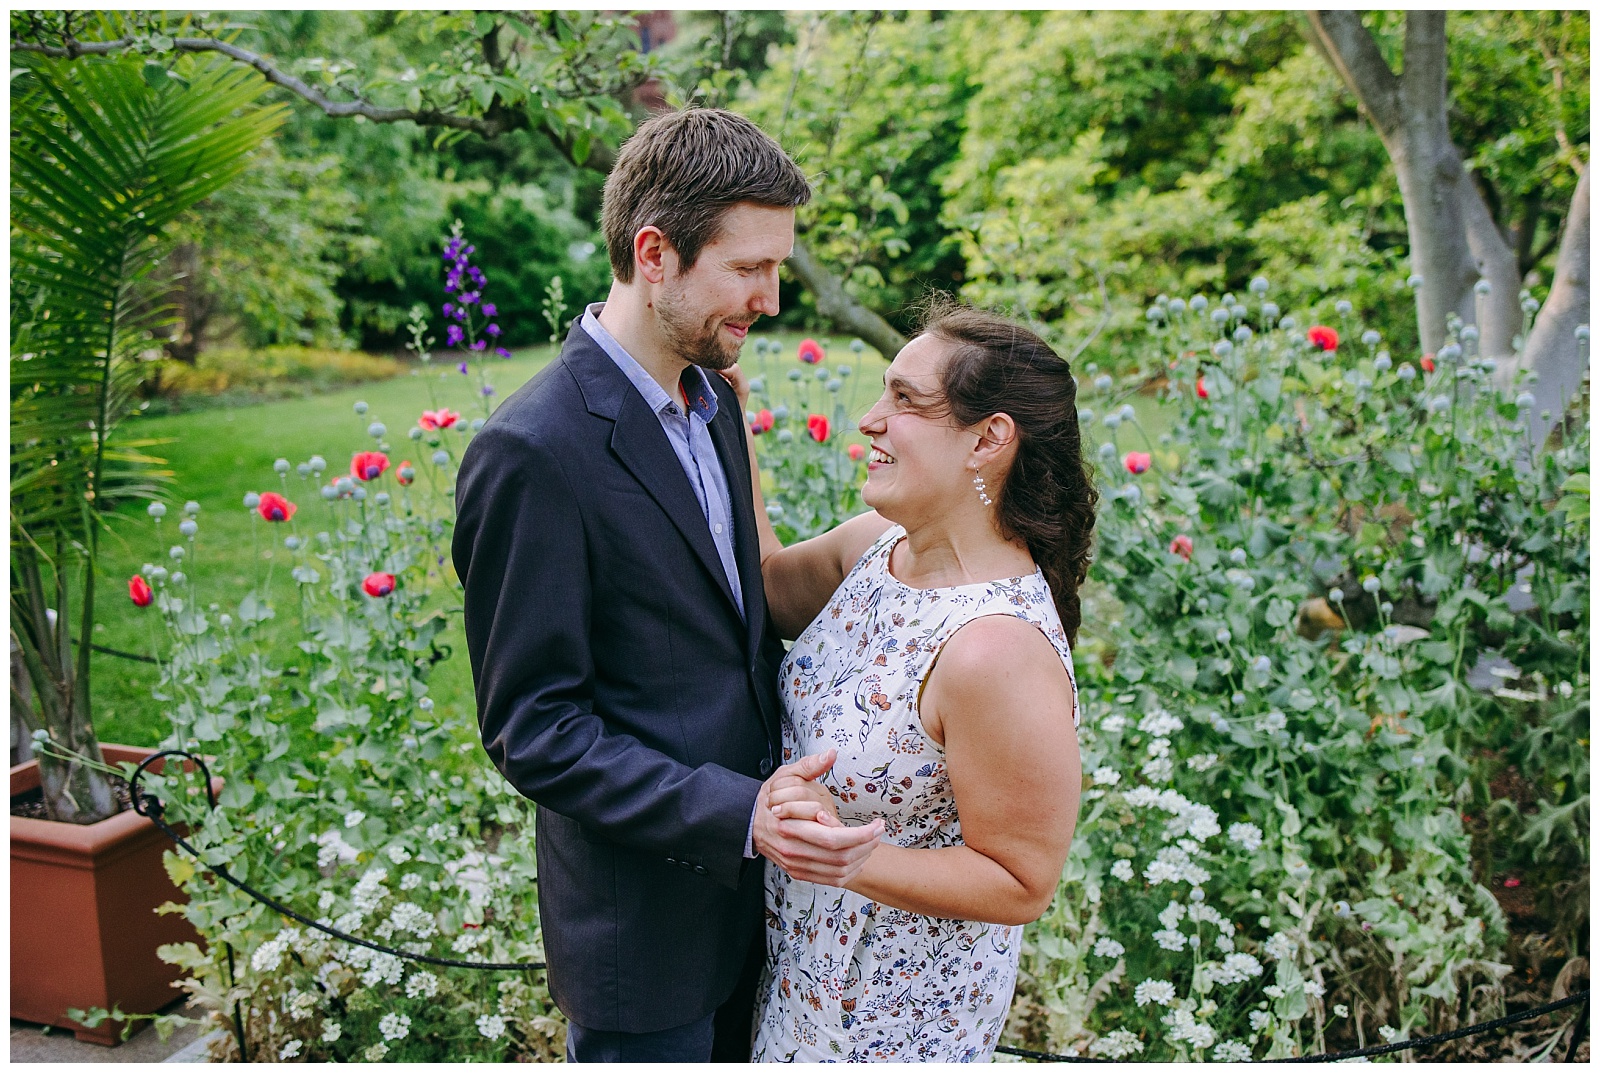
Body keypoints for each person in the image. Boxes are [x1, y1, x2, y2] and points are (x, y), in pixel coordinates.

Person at [451, 108, 884, 1064]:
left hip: (758, 915)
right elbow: (535, 727)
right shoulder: (531, 452)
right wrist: (742, 815)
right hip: (643, 944)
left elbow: (736, 614)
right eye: (748, 268)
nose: (771, 299)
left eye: (778, 267)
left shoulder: (714, 398)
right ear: (655, 253)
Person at [735, 297, 1094, 1061]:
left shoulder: (993, 650)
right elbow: (764, 582)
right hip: (799, 985)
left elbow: (1022, 879)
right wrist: (729, 428)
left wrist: (851, 855)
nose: (869, 419)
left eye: (904, 399)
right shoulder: (877, 548)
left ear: (989, 437)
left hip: (891, 1026)